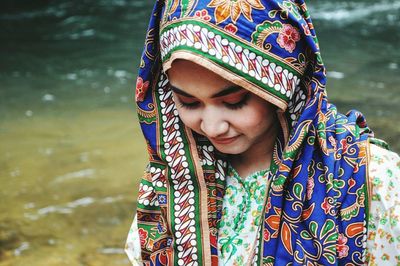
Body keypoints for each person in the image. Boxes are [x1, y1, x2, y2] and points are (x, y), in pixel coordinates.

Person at [125, 0, 400, 265]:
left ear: (283, 85)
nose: (212, 126)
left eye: (234, 102)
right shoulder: (170, 181)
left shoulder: (373, 179)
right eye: (188, 102)